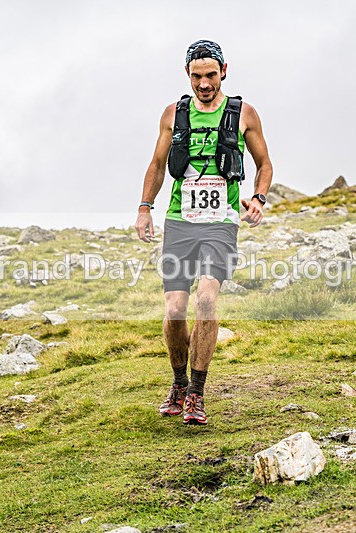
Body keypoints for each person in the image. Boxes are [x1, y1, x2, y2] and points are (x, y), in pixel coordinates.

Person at [135, 40, 273, 425]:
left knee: (207, 301)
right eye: (197, 76)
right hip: (180, 220)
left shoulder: (242, 113)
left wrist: (259, 198)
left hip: (220, 223)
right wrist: (145, 208)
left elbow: (264, 164)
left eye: (211, 75)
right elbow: (158, 165)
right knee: (175, 309)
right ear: (187, 76)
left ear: (224, 71)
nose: (204, 83)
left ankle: (196, 393)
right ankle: (178, 384)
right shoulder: (173, 114)